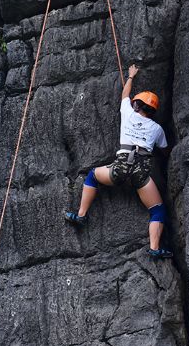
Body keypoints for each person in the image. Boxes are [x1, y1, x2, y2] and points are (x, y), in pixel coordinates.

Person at [65, 65, 173, 259]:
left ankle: (81, 215)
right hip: (141, 172)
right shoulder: (157, 129)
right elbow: (164, 150)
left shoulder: (128, 113)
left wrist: (131, 77)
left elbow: (125, 95)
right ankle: (155, 248)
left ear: (137, 105)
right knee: (158, 210)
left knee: (92, 175)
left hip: (120, 167)